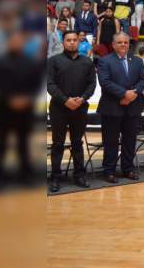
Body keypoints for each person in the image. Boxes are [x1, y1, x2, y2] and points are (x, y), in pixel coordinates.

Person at [46, 30, 96, 192]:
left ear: (79, 42)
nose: (72, 42)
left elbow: (91, 85)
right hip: (59, 108)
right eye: (69, 40)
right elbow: (50, 85)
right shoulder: (53, 61)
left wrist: (82, 98)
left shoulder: (87, 62)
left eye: (75, 40)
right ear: (63, 43)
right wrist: (66, 100)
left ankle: (79, 174)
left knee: (77, 142)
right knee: (58, 143)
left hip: (80, 107)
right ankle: (55, 177)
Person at [97, 32, 144, 183]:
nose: (123, 45)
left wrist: (133, 93)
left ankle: (128, 169)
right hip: (112, 107)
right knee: (111, 141)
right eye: (119, 42)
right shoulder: (104, 61)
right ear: (113, 45)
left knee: (130, 140)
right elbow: (105, 82)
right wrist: (124, 94)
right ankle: (109, 171)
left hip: (132, 107)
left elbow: (143, 79)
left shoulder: (137, 61)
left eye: (126, 42)